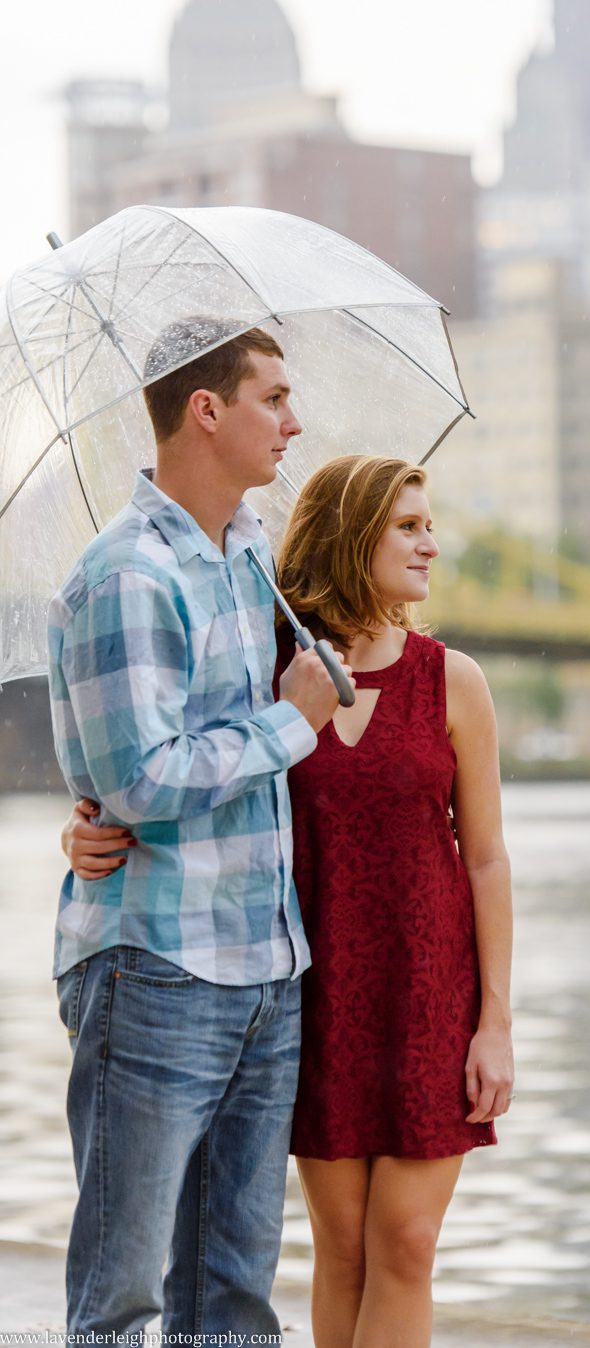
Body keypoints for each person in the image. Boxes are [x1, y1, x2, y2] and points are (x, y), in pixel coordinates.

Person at [65, 453, 514, 1348]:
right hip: (313, 991)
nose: (432, 543)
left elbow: (488, 862)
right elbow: (168, 766)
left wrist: (495, 1022)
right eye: (409, 525)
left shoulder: (451, 680)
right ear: (354, 538)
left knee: (408, 1243)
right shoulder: (275, 671)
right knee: (341, 1249)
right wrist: (82, 827)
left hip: (428, 994)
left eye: (430, 524)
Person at [50, 320, 351, 1338]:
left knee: (232, 1299)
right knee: (120, 1296)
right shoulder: (126, 576)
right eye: (273, 397)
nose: (292, 421)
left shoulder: (249, 552)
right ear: (206, 410)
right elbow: (140, 779)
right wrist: (290, 720)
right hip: (160, 969)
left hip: (266, 967)